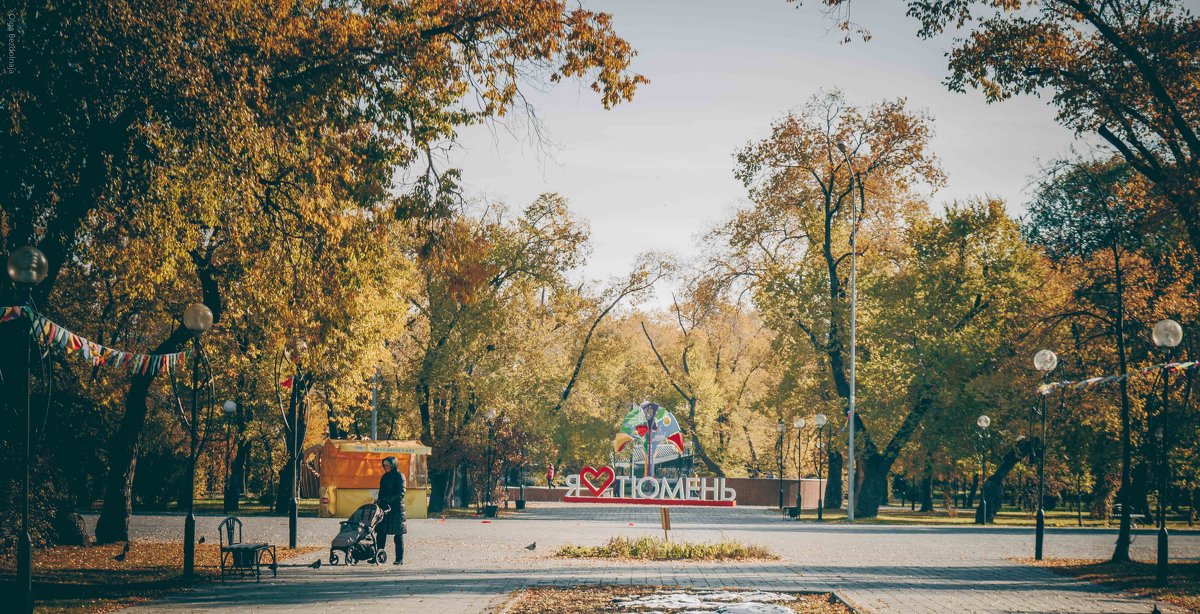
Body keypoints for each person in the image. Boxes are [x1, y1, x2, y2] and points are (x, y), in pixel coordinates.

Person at [375, 456, 406, 565]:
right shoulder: (384, 477)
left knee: (398, 534)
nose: (385, 467)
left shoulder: (400, 476)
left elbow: (401, 493)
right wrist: (379, 501)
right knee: (380, 532)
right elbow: (381, 491)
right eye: (384, 465)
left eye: (387, 465)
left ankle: (399, 558)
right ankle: (379, 556)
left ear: (393, 466)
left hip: (397, 509)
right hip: (384, 508)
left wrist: (388, 499)